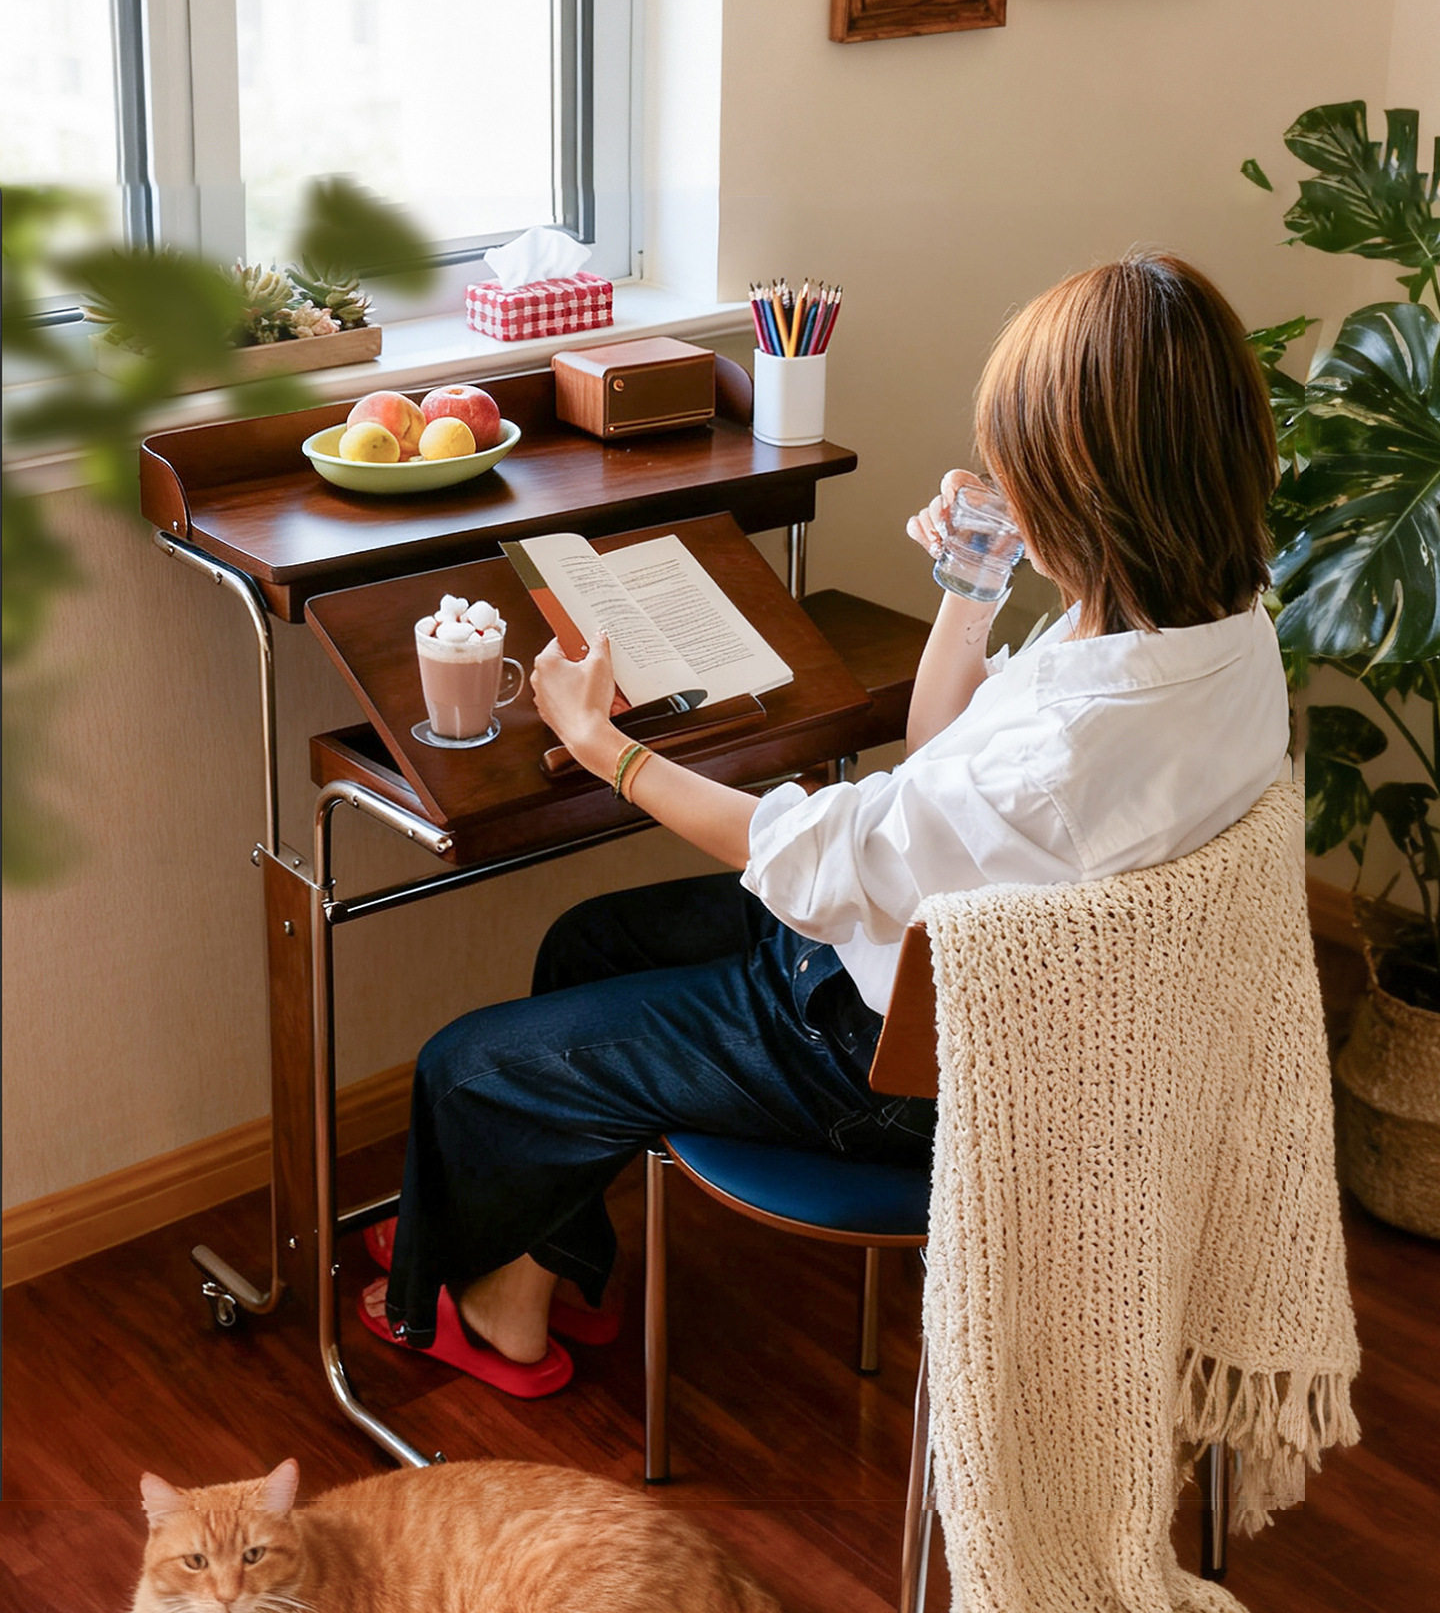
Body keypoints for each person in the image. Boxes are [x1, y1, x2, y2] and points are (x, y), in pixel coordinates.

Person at [360, 253, 1290, 1395]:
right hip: (957, 993)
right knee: (589, 944)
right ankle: (528, 1257)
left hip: (897, 1069)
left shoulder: (1073, 742)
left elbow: (807, 860)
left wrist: (607, 747)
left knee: (466, 1068)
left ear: (1090, 496)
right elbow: (943, 763)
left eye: (1022, 475)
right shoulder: (1218, 634)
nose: (1003, 483)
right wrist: (975, 584)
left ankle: (479, 1300)